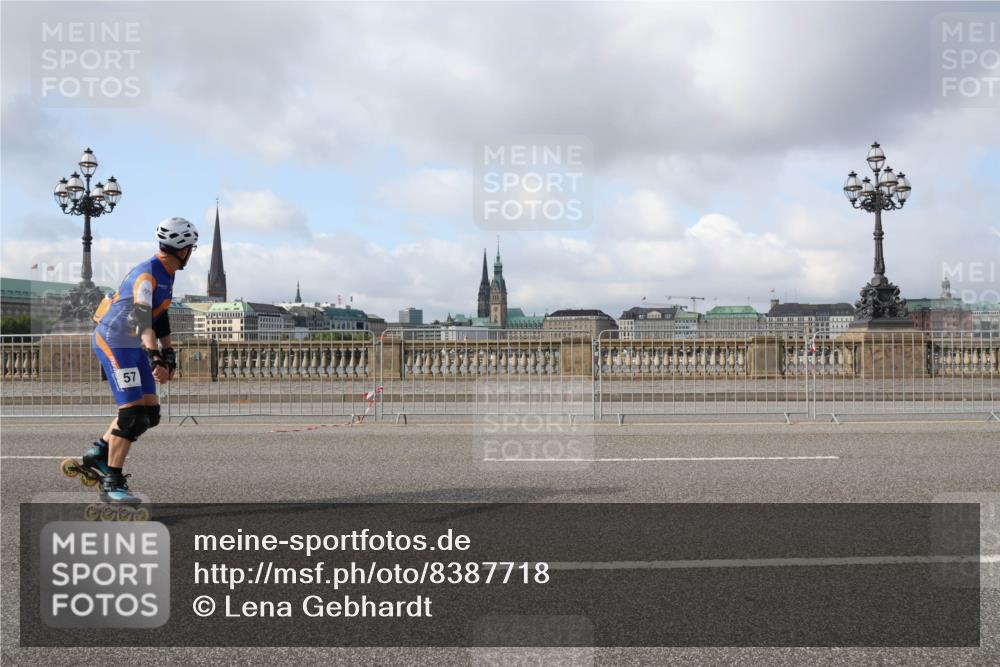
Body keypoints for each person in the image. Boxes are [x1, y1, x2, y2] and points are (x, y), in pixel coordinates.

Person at [75, 217, 198, 504]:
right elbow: (143, 315)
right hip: (115, 342)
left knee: (150, 415)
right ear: (182, 249)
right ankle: (111, 481)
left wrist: (169, 354)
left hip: (132, 344)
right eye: (191, 247)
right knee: (132, 415)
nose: (192, 252)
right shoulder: (148, 274)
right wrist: (154, 355)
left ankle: (99, 452)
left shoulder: (168, 272)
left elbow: (161, 314)